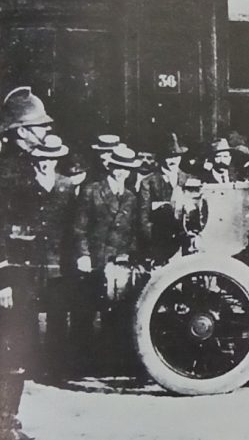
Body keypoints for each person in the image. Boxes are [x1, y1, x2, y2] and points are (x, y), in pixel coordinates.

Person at [0, 86, 53, 440]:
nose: (46, 132)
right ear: (20, 131)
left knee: (19, 347)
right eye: (39, 128)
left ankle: (9, 422)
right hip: (9, 275)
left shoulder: (22, 164)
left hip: (24, 272)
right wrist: (2, 276)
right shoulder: (6, 170)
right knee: (11, 347)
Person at [6, 135, 79, 382]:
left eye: (50, 158)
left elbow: (74, 226)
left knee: (59, 313)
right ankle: (31, 366)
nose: (45, 163)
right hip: (30, 260)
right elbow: (12, 225)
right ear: (35, 160)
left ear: (57, 159)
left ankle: (56, 368)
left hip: (58, 260)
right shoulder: (22, 187)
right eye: (41, 158)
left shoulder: (67, 185)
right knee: (27, 312)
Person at [73, 144, 141, 373]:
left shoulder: (131, 196)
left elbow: (133, 231)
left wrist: (128, 255)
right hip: (95, 260)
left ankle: (114, 364)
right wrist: (83, 255)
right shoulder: (92, 190)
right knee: (87, 312)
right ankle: (81, 365)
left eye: (127, 169)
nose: (122, 172)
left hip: (120, 263)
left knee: (119, 313)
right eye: (118, 167)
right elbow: (79, 229)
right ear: (110, 166)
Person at [138, 133, 191, 265]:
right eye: (169, 157)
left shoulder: (189, 179)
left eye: (176, 156)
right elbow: (143, 217)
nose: (173, 161)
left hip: (185, 244)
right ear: (162, 158)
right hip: (160, 244)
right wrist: (155, 242)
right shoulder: (148, 182)